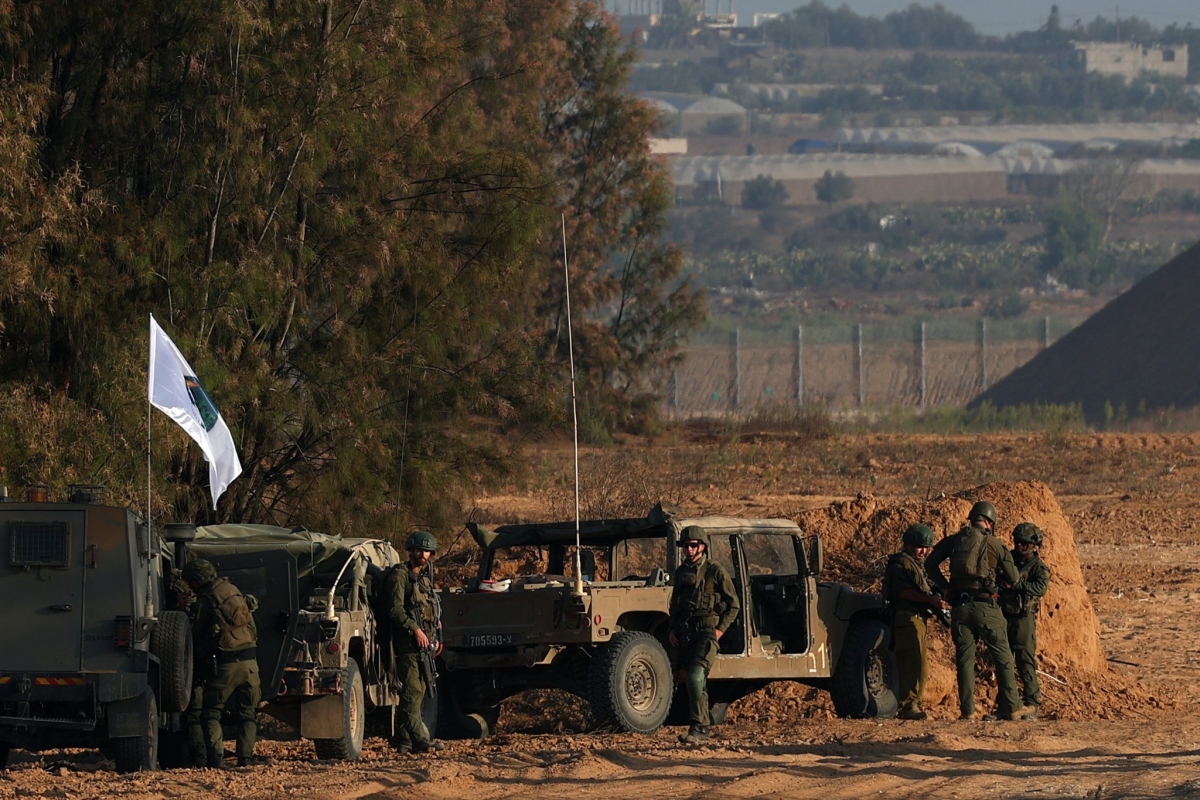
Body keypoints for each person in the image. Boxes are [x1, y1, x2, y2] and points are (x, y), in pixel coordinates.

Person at [925, 501, 1034, 722]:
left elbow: (930, 564)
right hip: (987, 607)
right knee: (1003, 655)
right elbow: (1013, 578)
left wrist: (945, 587)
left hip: (960, 608)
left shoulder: (955, 541)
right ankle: (1013, 707)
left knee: (964, 659)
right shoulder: (995, 544)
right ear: (990, 522)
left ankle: (968, 711)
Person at [183, 557, 262, 768]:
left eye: (192, 583)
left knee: (211, 713)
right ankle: (245, 759)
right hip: (250, 662)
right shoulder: (232, 590)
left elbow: (195, 633)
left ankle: (216, 759)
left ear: (198, 580)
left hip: (225, 664)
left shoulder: (206, 600)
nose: (191, 587)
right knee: (248, 714)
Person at [669, 526, 740, 744]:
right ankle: (701, 728)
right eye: (685, 546)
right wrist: (673, 628)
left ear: (702, 546)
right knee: (691, 682)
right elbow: (675, 605)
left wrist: (720, 630)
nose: (689, 550)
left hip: (707, 633)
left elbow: (734, 604)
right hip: (686, 632)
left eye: (693, 545)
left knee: (696, 677)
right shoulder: (681, 572)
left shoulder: (714, 570)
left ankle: (698, 727)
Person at [883, 523, 949, 721]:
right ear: (909, 545)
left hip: (916, 618)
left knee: (919, 664)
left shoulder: (914, 565)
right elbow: (904, 592)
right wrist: (929, 600)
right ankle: (908, 706)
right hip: (906, 617)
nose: (924, 551)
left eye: (926, 547)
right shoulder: (900, 564)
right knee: (911, 663)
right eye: (920, 546)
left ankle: (913, 704)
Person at [387, 531, 445, 755]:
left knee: (421, 689)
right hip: (408, 644)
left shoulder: (424, 578)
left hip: (425, 643)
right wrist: (415, 630)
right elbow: (395, 609)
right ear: (411, 551)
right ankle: (421, 739)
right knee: (413, 691)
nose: (423, 554)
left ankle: (404, 740)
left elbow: (433, 610)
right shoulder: (400, 575)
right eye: (419, 550)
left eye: (427, 551)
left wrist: (436, 635)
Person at [1001, 522, 1051, 719]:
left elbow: (1040, 588)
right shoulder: (1009, 560)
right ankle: (1006, 704)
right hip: (1005, 614)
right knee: (1004, 661)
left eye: (1024, 543)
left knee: (1024, 660)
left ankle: (1032, 703)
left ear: (1033, 545)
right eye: (1017, 541)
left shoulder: (1038, 567)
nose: (1019, 546)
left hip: (1023, 618)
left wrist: (1017, 584)